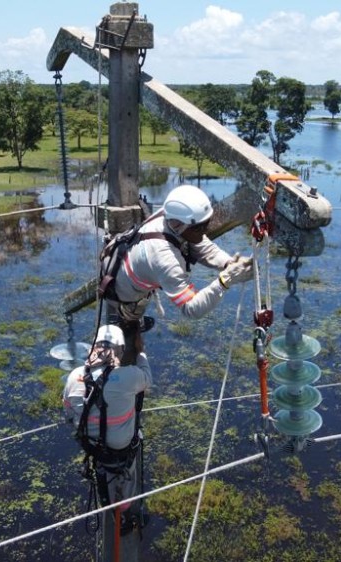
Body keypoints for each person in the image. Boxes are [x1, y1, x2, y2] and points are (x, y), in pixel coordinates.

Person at [100, 184, 254, 361]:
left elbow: (203, 246)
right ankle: (130, 337)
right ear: (178, 225)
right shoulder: (165, 260)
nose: (205, 231)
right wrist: (225, 281)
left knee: (144, 288)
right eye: (199, 228)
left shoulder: (170, 218)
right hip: (122, 290)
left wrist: (228, 263)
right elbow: (191, 309)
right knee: (129, 328)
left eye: (207, 224)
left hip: (120, 260)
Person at [63, 324, 151, 535]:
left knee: (104, 474)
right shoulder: (130, 375)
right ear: (120, 349)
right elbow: (147, 377)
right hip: (121, 447)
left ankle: (110, 506)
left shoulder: (75, 376)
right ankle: (124, 515)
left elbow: (67, 412)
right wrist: (140, 352)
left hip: (93, 447)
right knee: (125, 479)